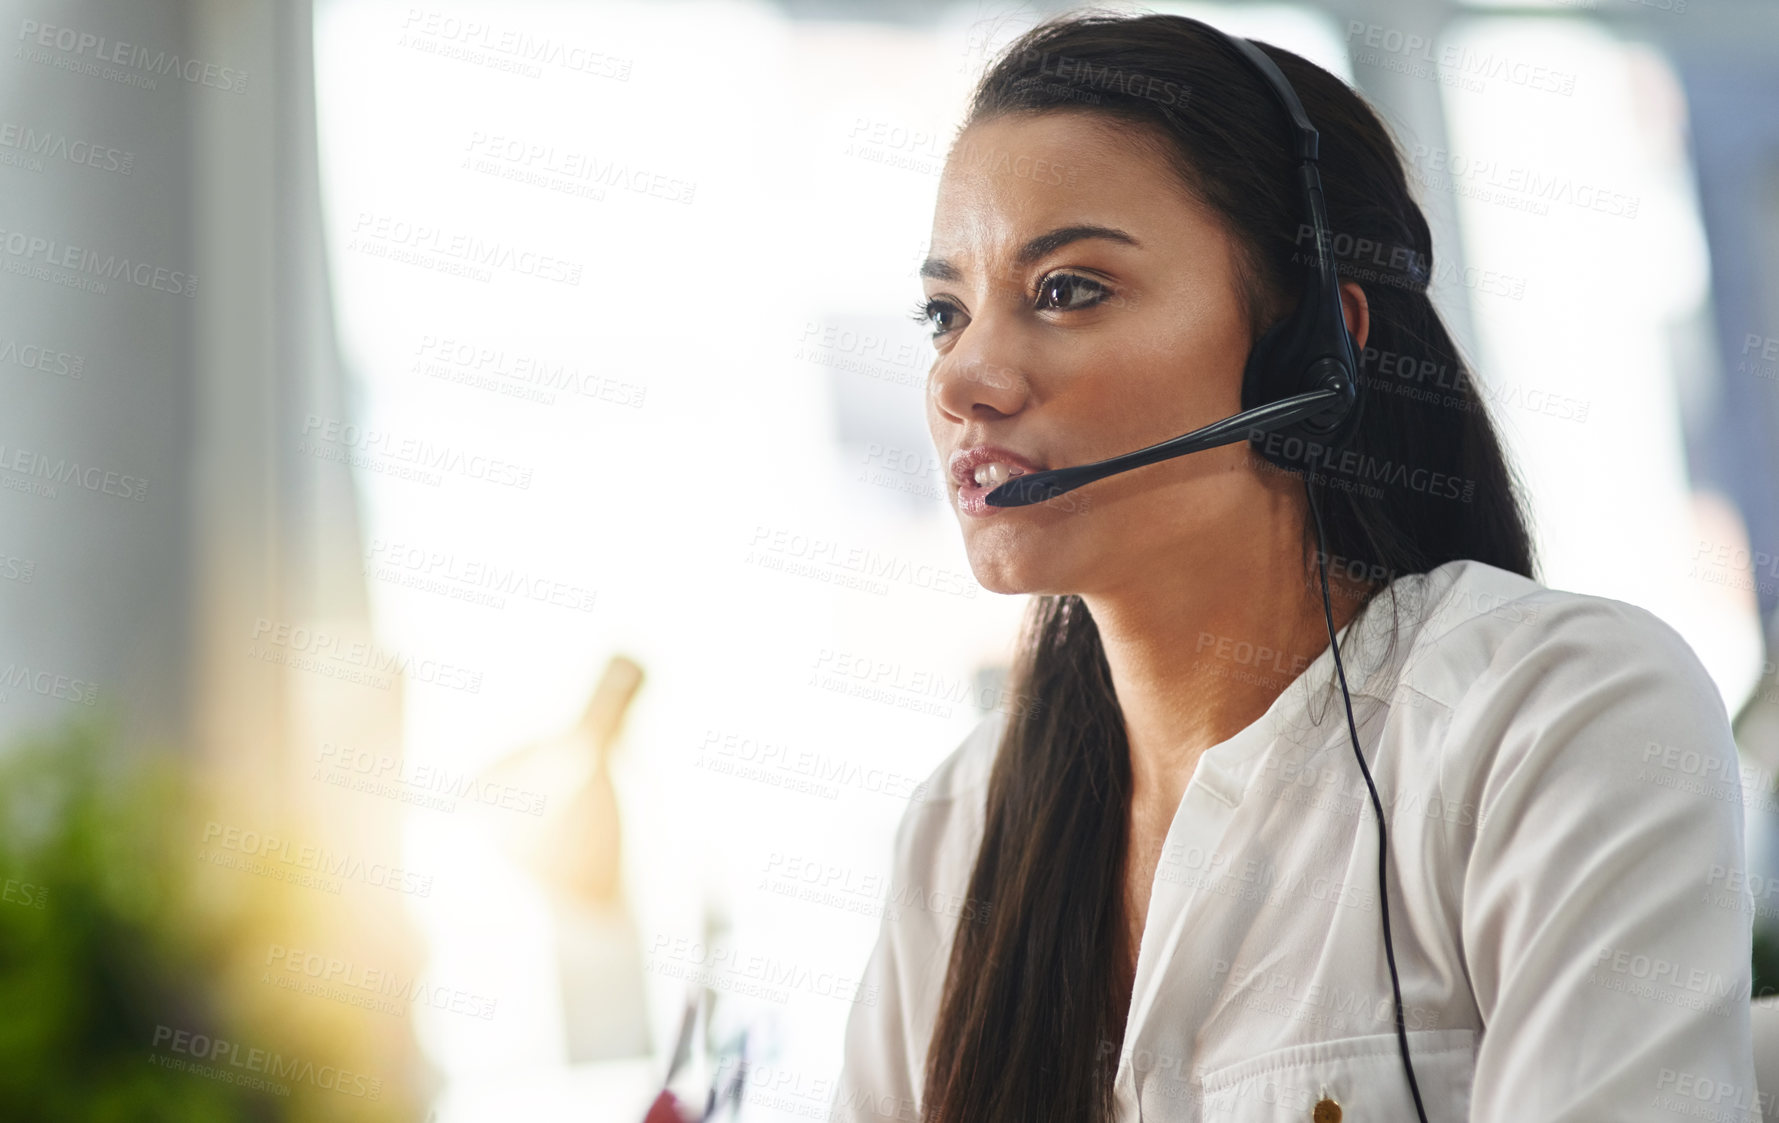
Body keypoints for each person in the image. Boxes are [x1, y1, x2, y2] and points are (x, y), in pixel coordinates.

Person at [830, 11, 1758, 1122]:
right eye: (944, 312)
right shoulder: (962, 826)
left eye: (1069, 289)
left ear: (1316, 345)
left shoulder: (1548, 715)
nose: (962, 377)